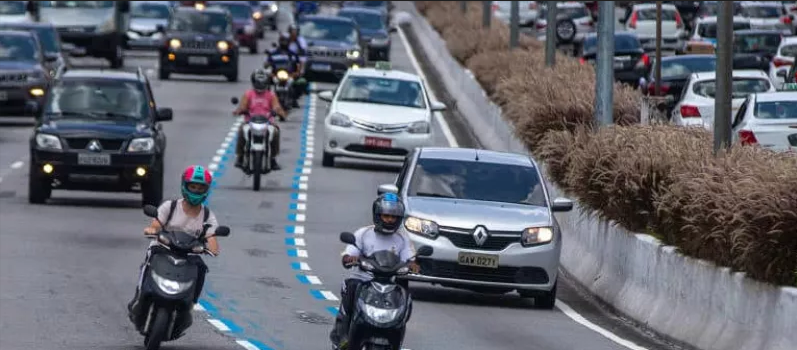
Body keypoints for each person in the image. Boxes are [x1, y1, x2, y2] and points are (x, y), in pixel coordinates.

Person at [128, 165, 220, 326]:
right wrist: (152, 229)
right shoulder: (169, 207)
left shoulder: (207, 215)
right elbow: (156, 223)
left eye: (200, 188)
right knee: (150, 258)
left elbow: (211, 236)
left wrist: (211, 247)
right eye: (193, 186)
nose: (196, 190)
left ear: (206, 190)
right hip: (163, 249)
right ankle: (139, 295)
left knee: (201, 268)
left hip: (189, 255)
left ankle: (189, 303)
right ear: (185, 186)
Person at [329, 193, 420, 348]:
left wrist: (413, 265)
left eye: (393, 216)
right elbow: (349, 252)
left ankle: (396, 336)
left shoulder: (402, 238)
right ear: (377, 215)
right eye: (386, 216)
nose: (390, 219)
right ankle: (342, 335)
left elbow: (410, 259)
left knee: (405, 295)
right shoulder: (363, 234)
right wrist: (349, 258)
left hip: (390, 283)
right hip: (363, 280)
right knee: (350, 286)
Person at [232, 68, 287, 170]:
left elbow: (276, 106)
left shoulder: (271, 95)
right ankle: (240, 157)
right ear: (253, 82)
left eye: (262, 82)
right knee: (241, 131)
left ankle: (273, 159)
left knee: (276, 132)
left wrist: (279, 112)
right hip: (250, 121)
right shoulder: (248, 94)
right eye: (258, 82)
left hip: (267, 122)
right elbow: (242, 106)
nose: (260, 85)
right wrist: (239, 111)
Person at [265, 32, 303, 108]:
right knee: (265, 81)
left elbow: (298, 65)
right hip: (276, 75)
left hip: (289, 76)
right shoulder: (273, 54)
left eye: (286, 41)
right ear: (280, 41)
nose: (284, 43)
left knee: (302, 82)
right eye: (283, 41)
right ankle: (266, 99)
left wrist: (297, 73)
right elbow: (267, 65)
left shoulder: (293, 54)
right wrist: (269, 72)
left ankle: (294, 99)